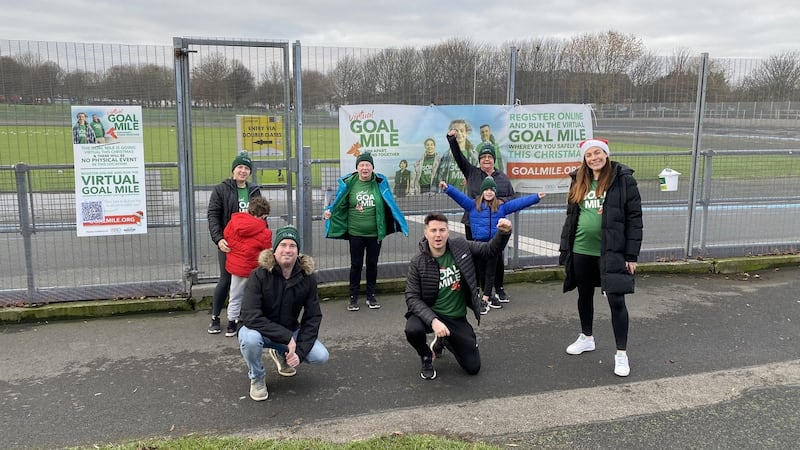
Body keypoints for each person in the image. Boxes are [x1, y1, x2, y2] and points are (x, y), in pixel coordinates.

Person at [558, 138, 643, 377]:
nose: (594, 158)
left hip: (611, 251)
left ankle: (621, 354)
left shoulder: (623, 179)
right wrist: (566, 249)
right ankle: (587, 337)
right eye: (589, 155)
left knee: (616, 301)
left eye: (598, 153)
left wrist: (631, 255)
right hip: (581, 249)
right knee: (584, 294)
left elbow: (635, 218)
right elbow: (571, 217)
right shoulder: (578, 179)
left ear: (606, 154)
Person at [404, 212, 512, 380]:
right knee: (412, 329)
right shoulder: (418, 262)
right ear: (426, 233)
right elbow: (412, 297)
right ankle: (426, 355)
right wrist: (433, 321)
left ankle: (444, 340)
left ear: (448, 232)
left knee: (473, 367)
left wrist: (504, 233)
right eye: (433, 230)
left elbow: (490, 250)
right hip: (430, 314)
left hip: (455, 317)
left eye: (442, 230)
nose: (438, 235)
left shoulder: (461, 247)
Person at [238, 225, 329, 401]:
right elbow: (250, 316)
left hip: (289, 331)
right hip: (259, 330)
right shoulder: (258, 275)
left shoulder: (307, 277)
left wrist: (299, 352)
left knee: (321, 356)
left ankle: (281, 354)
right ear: (275, 250)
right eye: (283, 245)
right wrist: (286, 337)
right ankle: (257, 377)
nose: (287, 250)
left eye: (292, 246)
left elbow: (313, 317)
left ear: (298, 251)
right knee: (250, 340)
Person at [440, 176, 545, 311]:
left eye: (492, 190)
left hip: (494, 244)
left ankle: (486, 298)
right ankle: (484, 295)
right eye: (486, 189)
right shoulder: (473, 205)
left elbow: (518, 203)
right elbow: (459, 197)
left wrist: (536, 197)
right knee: (481, 271)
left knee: (491, 272)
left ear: (495, 192)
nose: (489, 192)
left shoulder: (501, 207)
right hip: (479, 244)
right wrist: (448, 189)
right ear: (482, 191)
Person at [323, 152, 409, 311]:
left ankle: (371, 296)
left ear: (372, 167)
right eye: (361, 165)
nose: (364, 168)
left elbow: (390, 203)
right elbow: (338, 203)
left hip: (375, 233)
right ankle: (353, 297)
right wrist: (329, 211)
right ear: (357, 168)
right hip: (355, 233)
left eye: (367, 165)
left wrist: (400, 223)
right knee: (356, 265)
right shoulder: (349, 183)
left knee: (372, 264)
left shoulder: (380, 182)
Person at [207, 151, 262, 335]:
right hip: (228, 243)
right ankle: (215, 317)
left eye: (246, 168)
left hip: (249, 245)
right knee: (226, 279)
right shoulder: (221, 189)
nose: (243, 171)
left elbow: (261, 216)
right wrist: (218, 239)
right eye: (240, 167)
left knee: (247, 281)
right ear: (233, 170)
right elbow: (213, 215)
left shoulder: (254, 190)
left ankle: (240, 318)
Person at [446, 129, 516, 253]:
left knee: (494, 255)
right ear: (479, 160)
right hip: (472, 223)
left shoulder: (503, 178)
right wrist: (452, 140)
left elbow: (512, 197)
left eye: (490, 156)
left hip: (494, 224)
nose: (486, 159)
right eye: (483, 157)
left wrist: (501, 200)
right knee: (475, 255)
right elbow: (458, 157)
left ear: (494, 159)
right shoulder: (471, 172)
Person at [222, 196, 272, 337]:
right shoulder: (264, 232)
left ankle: (231, 324)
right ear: (262, 216)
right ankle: (250, 321)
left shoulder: (234, 222)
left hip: (236, 267)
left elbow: (226, 235)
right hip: (254, 269)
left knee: (235, 295)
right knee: (255, 296)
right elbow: (267, 251)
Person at [434, 119, 475, 191]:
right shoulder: (446, 156)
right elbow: (438, 178)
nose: (459, 133)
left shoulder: (474, 156)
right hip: (449, 195)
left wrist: (471, 179)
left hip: (467, 195)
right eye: (456, 131)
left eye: (462, 130)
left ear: (466, 133)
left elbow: (479, 177)